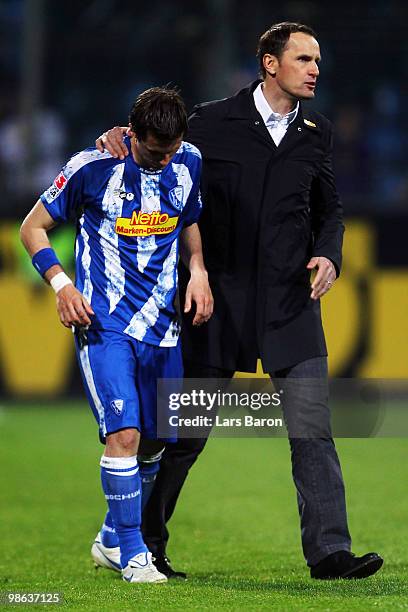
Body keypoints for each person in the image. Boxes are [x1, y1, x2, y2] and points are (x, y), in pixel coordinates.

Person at [97, 22, 383, 581]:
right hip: (216, 304)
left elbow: (331, 211)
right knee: (181, 436)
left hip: (289, 304)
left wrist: (329, 254)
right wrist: (115, 137)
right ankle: (143, 546)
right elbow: (151, 143)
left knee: (312, 431)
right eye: (303, 59)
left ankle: (330, 554)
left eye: (317, 60)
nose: (315, 69)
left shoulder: (315, 132)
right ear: (270, 64)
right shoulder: (209, 122)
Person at [20, 87, 213, 584]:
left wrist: (198, 269)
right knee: (123, 435)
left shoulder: (188, 160)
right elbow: (32, 227)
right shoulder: (92, 166)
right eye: (153, 150)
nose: (163, 159)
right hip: (103, 324)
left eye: (170, 151)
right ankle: (134, 555)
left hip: (162, 326)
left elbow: (189, 219)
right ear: (131, 135)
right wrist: (61, 285)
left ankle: (111, 538)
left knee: (153, 444)